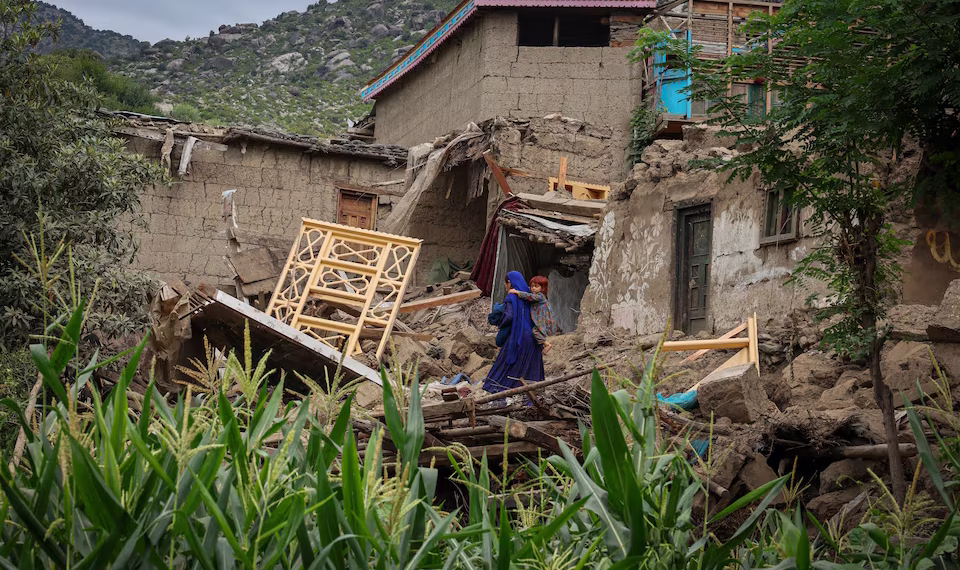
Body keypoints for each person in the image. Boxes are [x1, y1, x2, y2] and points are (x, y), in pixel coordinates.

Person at [482, 271, 545, 394]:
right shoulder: (528, 295)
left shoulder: (512, 297)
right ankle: (532, 393)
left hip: (520, 336)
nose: (505, 288)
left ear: (509, 283)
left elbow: (509, 316)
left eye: (505, 284)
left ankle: (501, 389)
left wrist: (501, 322)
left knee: (506, 365)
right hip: (534, 336)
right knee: (531, 368)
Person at [508, 275, 559, 354]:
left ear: (542, 288)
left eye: (536, 286)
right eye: (532, 286)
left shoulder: (539, 296)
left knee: (535, 331)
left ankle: (546, 344)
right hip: (540, 317)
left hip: (542, 318)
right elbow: (528, 292)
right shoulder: (536, 293)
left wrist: (517, 292)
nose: (533, 288)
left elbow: (529, 296)